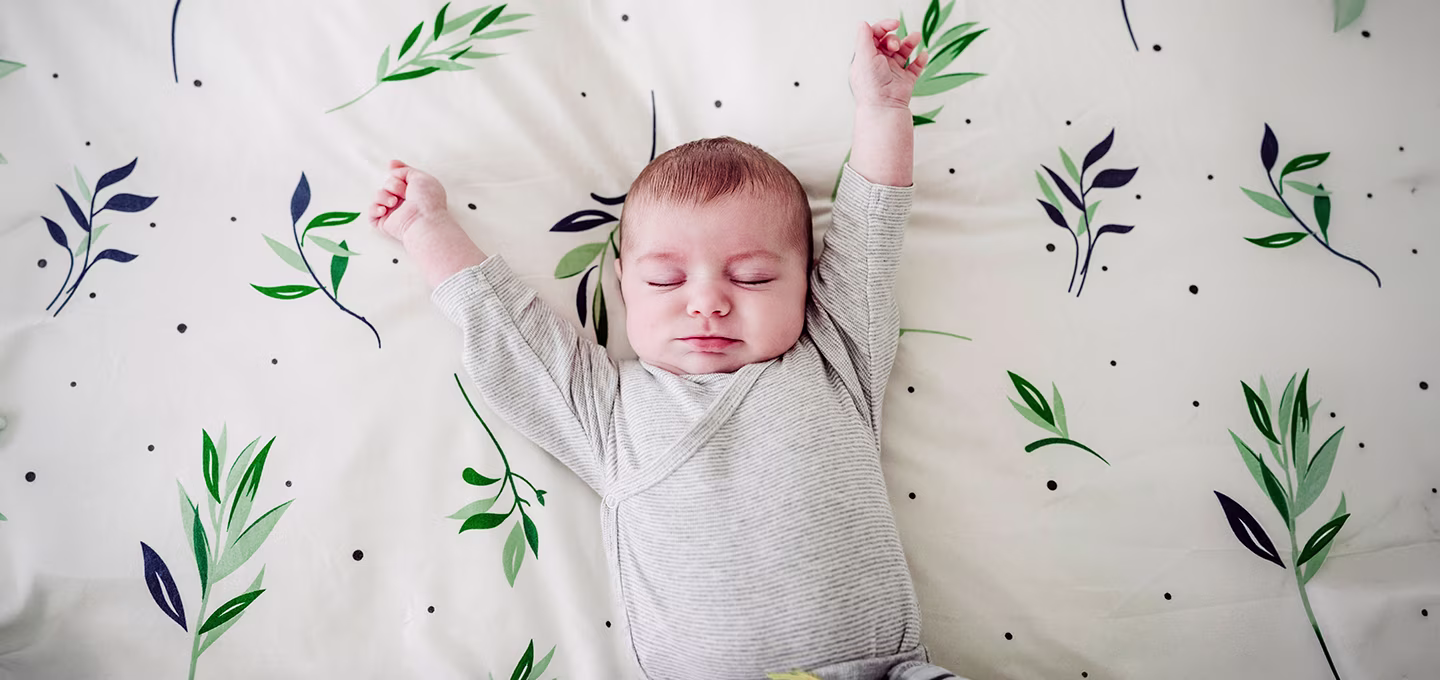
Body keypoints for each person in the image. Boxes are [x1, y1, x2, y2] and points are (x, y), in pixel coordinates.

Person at [368, 17, 965, 680]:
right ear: (623, 285)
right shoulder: (607, 407)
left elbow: (870, 232)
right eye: (666, 279)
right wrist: (426, 226)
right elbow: (509, 334)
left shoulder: (837, 358)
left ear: (808, 283)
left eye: (752, 277)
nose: (707, 301)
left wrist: (882, 107)